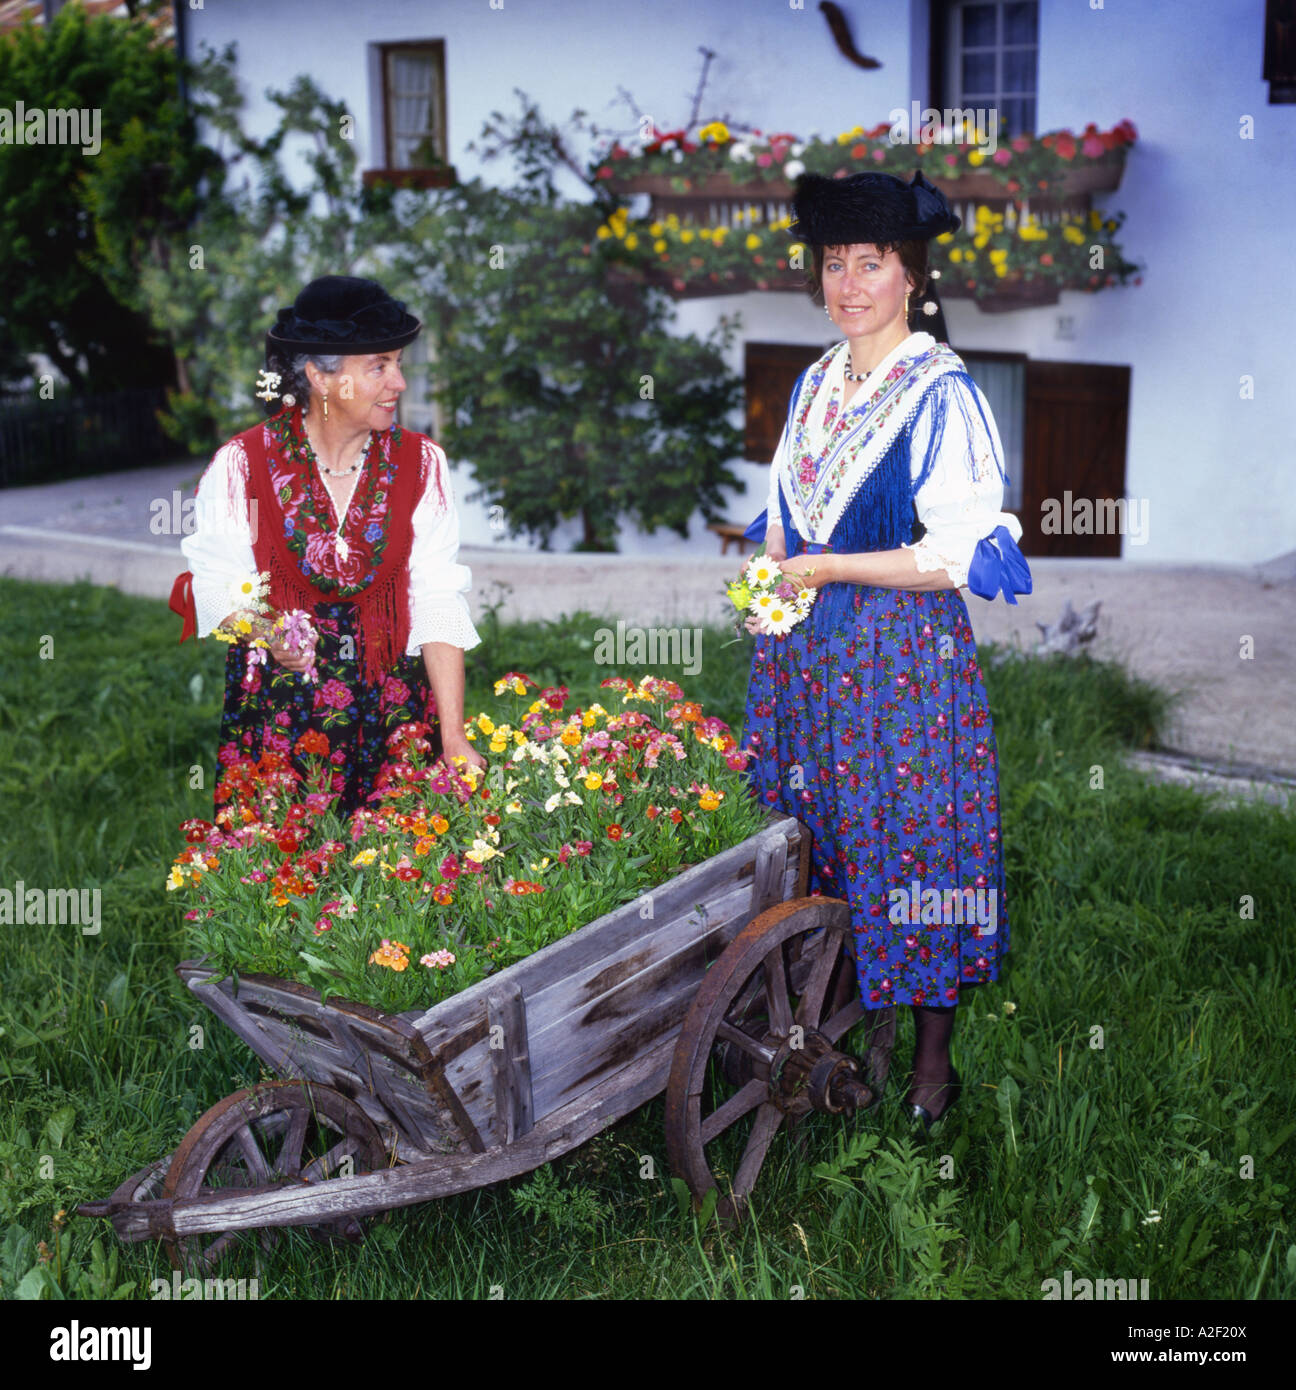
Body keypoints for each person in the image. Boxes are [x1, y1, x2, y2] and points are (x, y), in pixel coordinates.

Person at [740, 170, 1031, 1132]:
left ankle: (932, 1061)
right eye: (835, 264)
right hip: (806, 657)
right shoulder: (814, 383)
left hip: (900, 660)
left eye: (872, 263)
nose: (850, 284)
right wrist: (769, 574)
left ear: (912, 275)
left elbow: (954, 557)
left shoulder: (942, 394)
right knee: (816, 830)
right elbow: (783, 516)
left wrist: (828, 568)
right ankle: (824, 1014)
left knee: (914, 841)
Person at [172, 275, 488, 819]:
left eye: (398, 363)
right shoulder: (243, 465)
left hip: (396, 719)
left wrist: (453, 736)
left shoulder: (421, 464)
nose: (399, 382)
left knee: (397, 860)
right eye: (379, 367)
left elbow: (437, 599)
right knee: (284, 863)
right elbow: (216, 583)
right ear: (320, 377)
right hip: (282, 721)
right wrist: (267, 631)